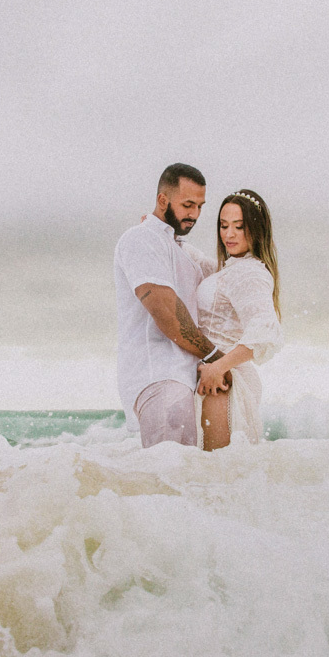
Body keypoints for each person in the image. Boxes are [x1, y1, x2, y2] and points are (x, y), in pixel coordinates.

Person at [113, 163, 222, 447]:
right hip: (159, 376)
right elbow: (167, 314)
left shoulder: (179, 250)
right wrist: (215, 356)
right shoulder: (140, 238)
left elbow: (227, 276)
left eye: (200, 206)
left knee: (184, 480)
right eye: (188, 205)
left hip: (182, 379)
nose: (195, 214)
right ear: (163, 200)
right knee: (168, 477)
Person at [189, 189, 284, 450]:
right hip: (218, 378)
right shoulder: (233, 269)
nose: (229, 234)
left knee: (218, 478)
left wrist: (218, 367)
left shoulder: (250, 274)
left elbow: (265, 331)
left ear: (256, 228)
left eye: (239, 227)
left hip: (223, 383)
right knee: (213, 475)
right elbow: (203, 266)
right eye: (223, 225)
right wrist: (162, 234)